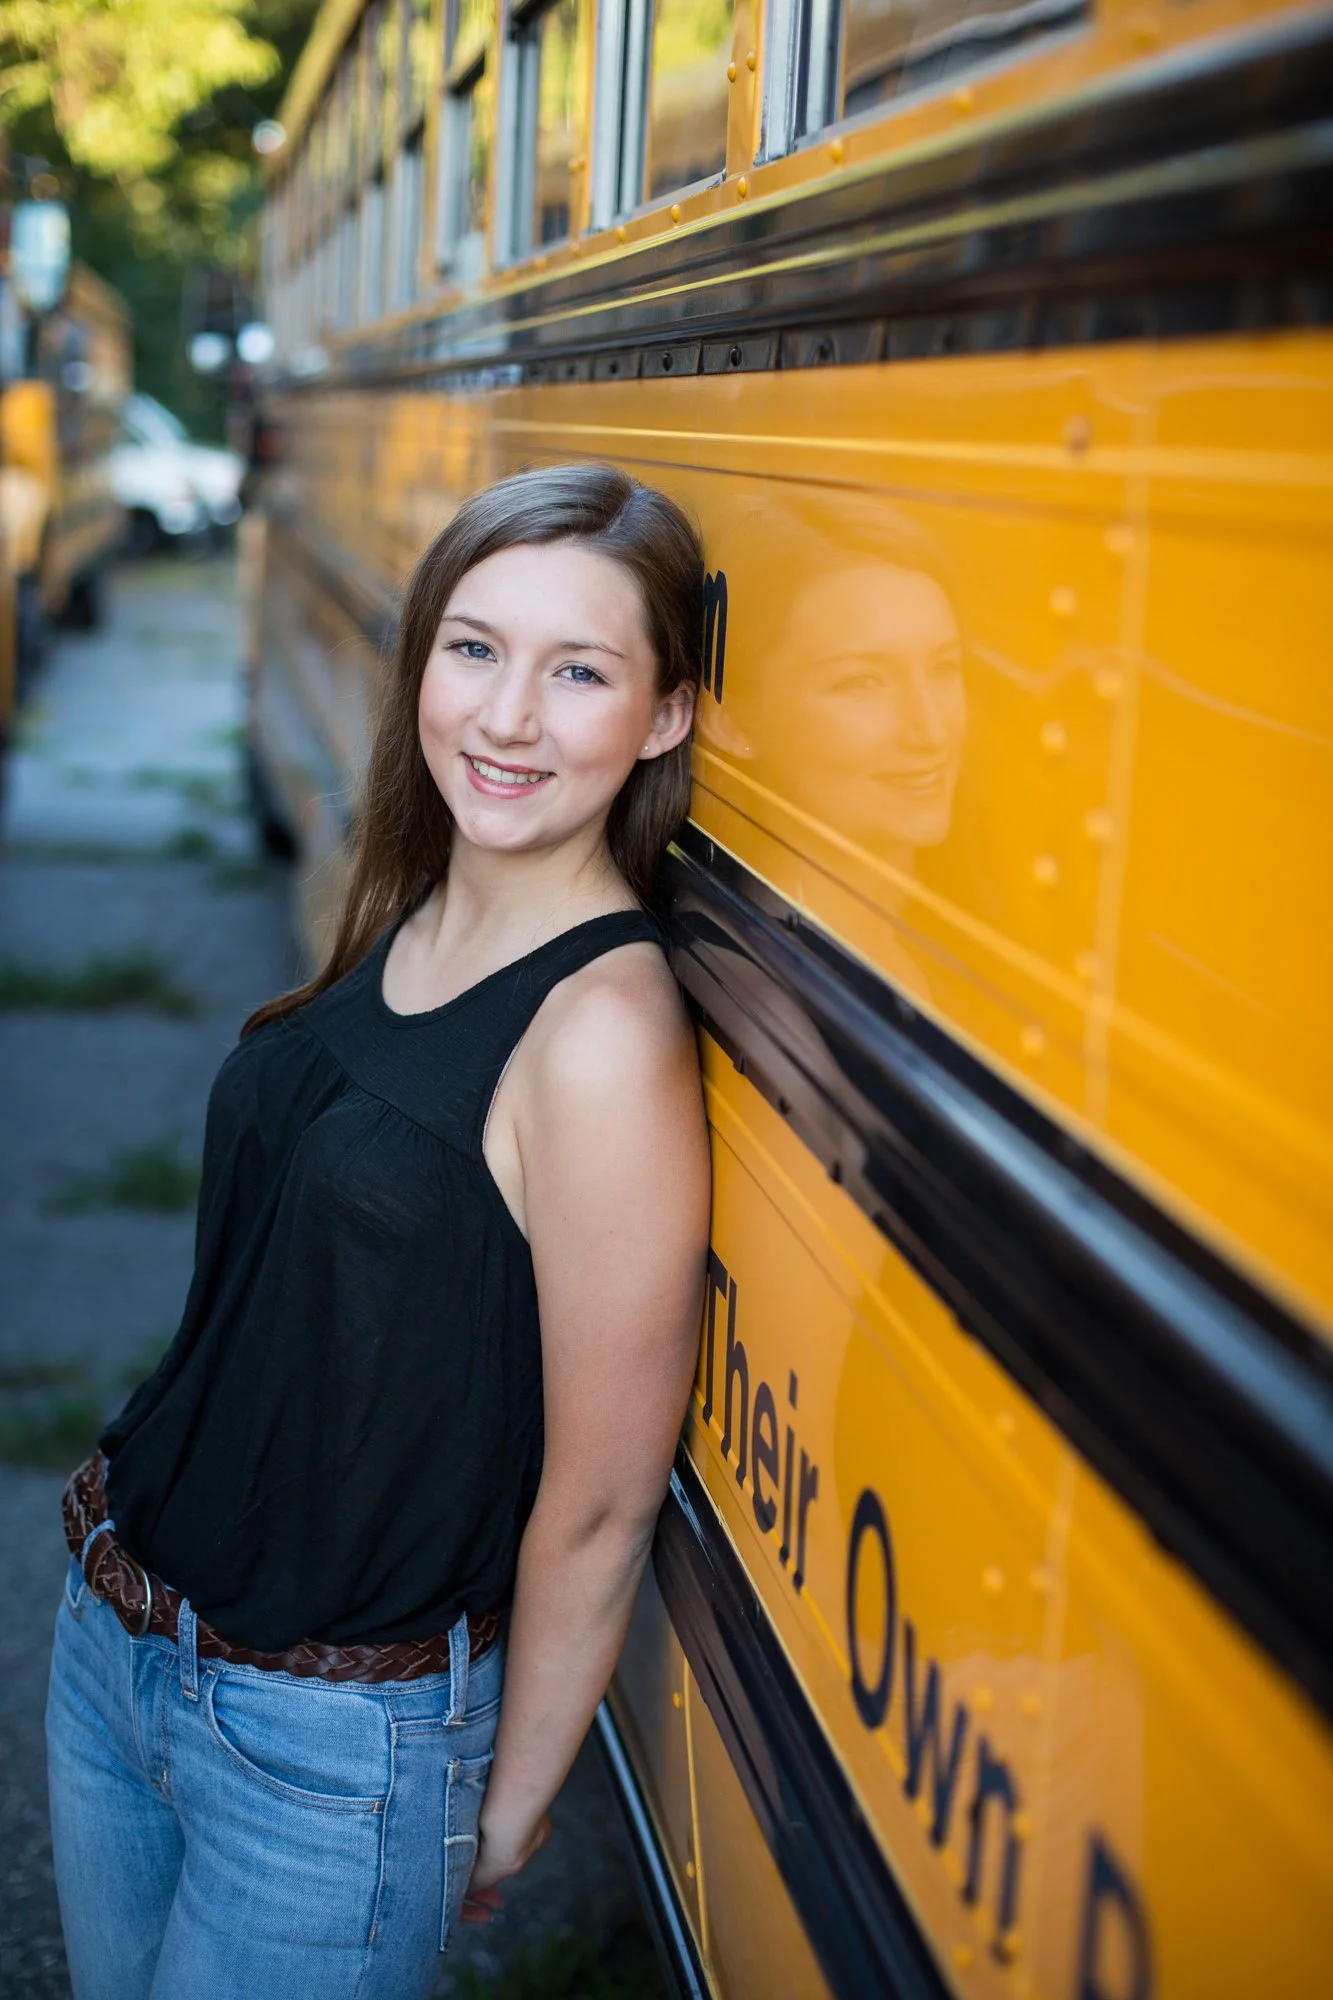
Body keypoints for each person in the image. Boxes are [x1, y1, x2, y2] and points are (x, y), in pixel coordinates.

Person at [44, 463, 713, 2000]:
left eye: (581, 671)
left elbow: (603, 1502)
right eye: (474, 647)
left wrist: (507, 1807)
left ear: (665, 715)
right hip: (121, 1635)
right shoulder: (412, 893)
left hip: (329, 1749)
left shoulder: (598, 1031)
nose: (507, 716)